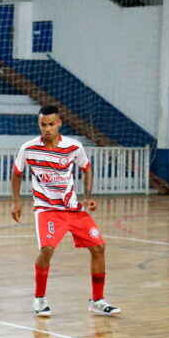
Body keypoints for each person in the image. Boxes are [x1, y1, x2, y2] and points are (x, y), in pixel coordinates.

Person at [10, 105, 120, 317]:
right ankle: (40, 299)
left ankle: (97, 300)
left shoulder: (73, 147)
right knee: (48, 249)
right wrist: (16, 201)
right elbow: (17, 173)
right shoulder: (29, 148)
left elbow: (87, 168)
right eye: (43, 125)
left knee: (99, 247)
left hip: (73, 209)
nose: (47, 129)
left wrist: (88, 196)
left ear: (60, 123)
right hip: (47, 209)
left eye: (51, 124)